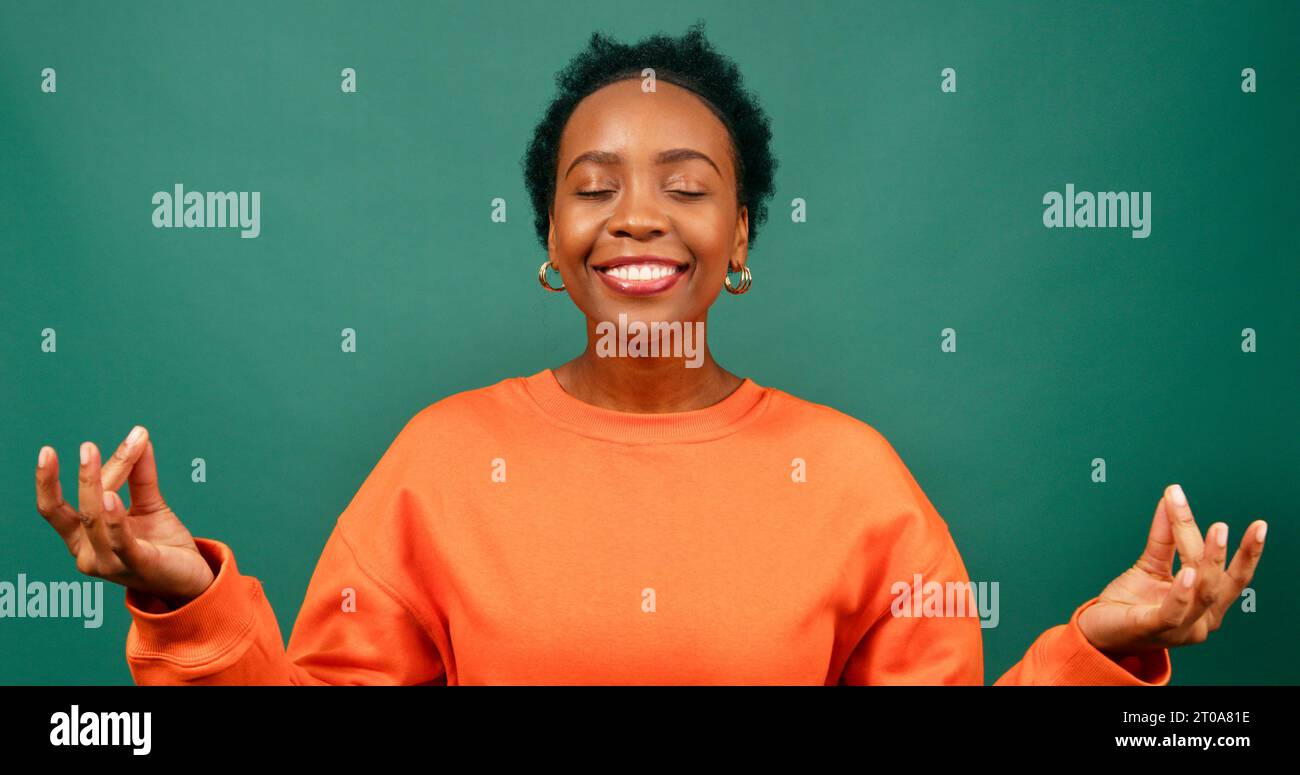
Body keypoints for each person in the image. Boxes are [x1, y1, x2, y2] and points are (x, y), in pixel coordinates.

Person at [33, 22, 1266, 685]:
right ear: (549, 239)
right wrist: (178, 592)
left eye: (685, 186)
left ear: (737, 239)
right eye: (592, 186)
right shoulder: (440, 463)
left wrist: (1101, 650)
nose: (635, 215)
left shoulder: (853, 479)